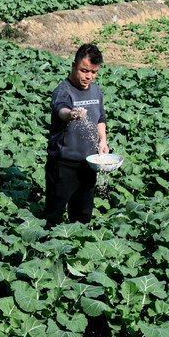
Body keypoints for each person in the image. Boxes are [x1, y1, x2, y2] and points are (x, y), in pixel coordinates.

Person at [44, 43, 110, 227]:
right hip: (63, 165)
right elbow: (61, 110)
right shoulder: (63, 91)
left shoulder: (96, 90)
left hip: (89, 164)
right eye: (84, 70)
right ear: (74, 65)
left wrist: (102, 140)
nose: (89, 76)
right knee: (53, 216)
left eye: (94, 72)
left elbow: (100, 118)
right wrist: (71, 114)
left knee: (83, 216)